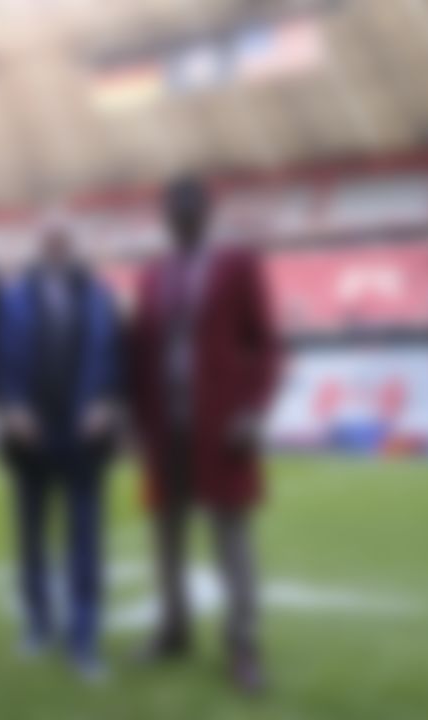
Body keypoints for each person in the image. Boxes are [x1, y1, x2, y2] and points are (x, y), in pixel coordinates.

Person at [129, 176, 282, 694]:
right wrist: (134, 421)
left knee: (231, 540)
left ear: (207, 215)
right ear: (165, 218)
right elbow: (139, 352)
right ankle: (174, 630)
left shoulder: (238, 265)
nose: (183, 219)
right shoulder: (151, 274)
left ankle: (242, 645)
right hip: (164, 423)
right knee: (166, 538)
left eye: (191, 210)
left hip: (220, 425)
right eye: (175, 211)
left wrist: (253, 409)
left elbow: (267, 343)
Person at [0, 213, 122, 682]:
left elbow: (116, 360)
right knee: (31, 537)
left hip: (84, 436)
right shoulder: (12, 298)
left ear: (75, 244)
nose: (56, 244)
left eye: (64, 237)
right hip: (30, 435)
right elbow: (0, 362)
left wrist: (108, 404)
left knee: (85, 540)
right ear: (38, 243)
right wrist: (11, 406)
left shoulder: (100, 295)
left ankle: (84, 637)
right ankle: (37, 625)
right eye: (49, 237)